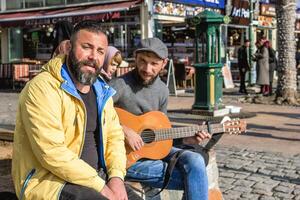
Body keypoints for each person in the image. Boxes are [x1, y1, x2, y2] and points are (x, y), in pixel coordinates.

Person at [12, 20, 142, 200]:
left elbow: (114, 137)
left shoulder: (101, 91)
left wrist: (116, 178)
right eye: (87, 47)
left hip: (96, 178)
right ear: (69, 48)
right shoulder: (43, 87)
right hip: (51, 183)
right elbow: (52, 152)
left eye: (100, 51)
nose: (93, 56)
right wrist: (102, 187)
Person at [109, 37, 211, 200]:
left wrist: (187, 139)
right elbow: (95, 111)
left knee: (196, 160)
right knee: (195, 178)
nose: (147, 68)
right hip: (125, 158)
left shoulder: (162, 90)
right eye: (142, 61)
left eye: (154, 63)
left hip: (149, 151)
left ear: (164, 64)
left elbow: (159, 136)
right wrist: (123, 129)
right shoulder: (120, 85)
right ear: (135, 58)